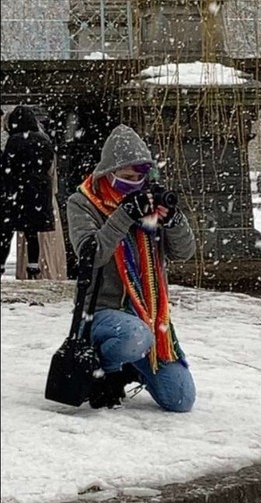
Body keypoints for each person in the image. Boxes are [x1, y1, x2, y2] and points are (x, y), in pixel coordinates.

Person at [66, 124, 196, 412]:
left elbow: (185, 253)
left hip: (149, 315)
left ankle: (135, 365)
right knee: (134, 336)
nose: (133, 184)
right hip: (101, 311)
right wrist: (123, 215)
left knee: (180, 399)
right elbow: (91, 255)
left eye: (138, 178)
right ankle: (108, 368)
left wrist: (173, 220)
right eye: (125, 178)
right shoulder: (83, 202)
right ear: (107, 173)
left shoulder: (149, 203)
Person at [0, 106, 55, 278]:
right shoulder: (44, 141)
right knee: (32, 233)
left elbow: (6, 166)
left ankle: (0, 264)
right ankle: (33, 268)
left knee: (6, 231)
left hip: (17, 189)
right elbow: (48, 165)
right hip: (38, 191)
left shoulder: (15, 140)